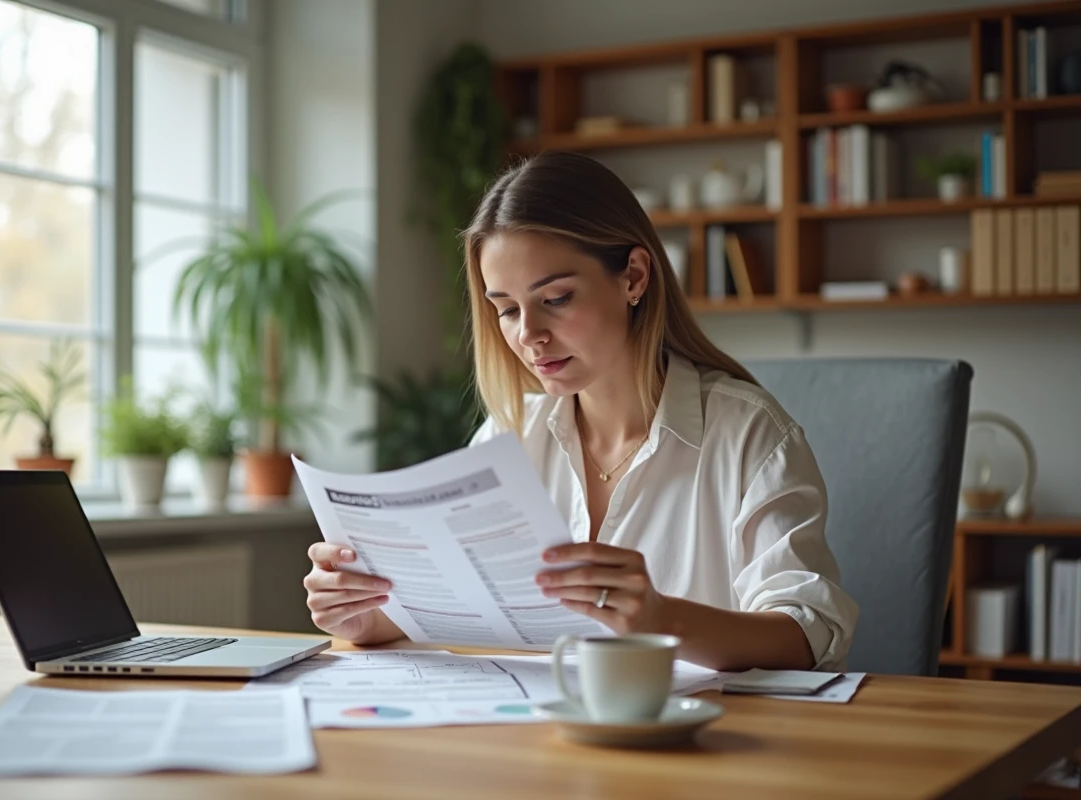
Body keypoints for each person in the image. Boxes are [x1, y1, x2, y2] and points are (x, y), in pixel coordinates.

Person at [304, 151, 858, 671]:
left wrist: (663, 620)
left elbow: (810, 633)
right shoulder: (510, 435)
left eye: (557, 299)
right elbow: (468, 614)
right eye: (507, 309)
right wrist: (367, 616)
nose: (529, 335)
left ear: (634, 277)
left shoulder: (749, 433)